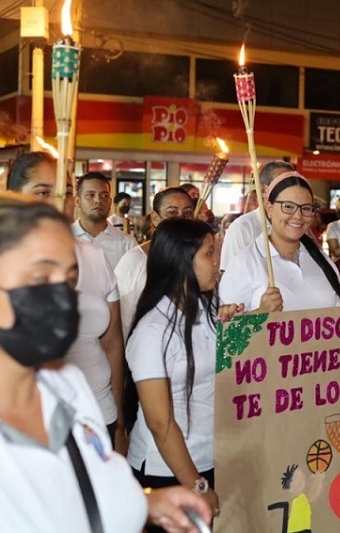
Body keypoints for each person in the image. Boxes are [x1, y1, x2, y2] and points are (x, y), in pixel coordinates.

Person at [0, 193, 211, 532]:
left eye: (69, 278)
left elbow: (84, 488)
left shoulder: (68, 384)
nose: (62, 296)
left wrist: (146, 502)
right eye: (41, 278)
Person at [8, 154, 127, 450]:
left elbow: (112, 342)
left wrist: (119, 414)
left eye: (66, 192)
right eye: (43, 192)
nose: (58, 201)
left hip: (99, 409)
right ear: (13, 197)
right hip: (36, 423)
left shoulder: (93, 256)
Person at [126, 218, 241, 524]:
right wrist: (197, 485)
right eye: (209, 253)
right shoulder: (153, 332)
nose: (217, 262)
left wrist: (243, 321)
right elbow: (160, 424)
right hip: (167, 472)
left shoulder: (207, 309)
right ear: (181, 262)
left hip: (208, 458)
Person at [219, 172, 340, 312]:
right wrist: (260, 312)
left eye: (305, 208)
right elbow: (226, 330)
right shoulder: (244, 264)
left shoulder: (322, 261)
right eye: (288, 206)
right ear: (269, 209)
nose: (298, 216)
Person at [114, 187, 195, 339]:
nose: (181, 219)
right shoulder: (135, 261)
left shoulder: (197, 258)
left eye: (187, 213)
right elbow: (121, 322)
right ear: (155, 218)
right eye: (172, 212)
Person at [219, 161, 295, 274]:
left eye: (292, 186)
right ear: (263, 190)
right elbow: (229, 276)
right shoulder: (242, 228)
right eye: (282, 186)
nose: (290, 192)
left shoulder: (295, 226)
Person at [72, 172, 138, 269]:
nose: (98, 200)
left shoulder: (127, 244)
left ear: (110, 202)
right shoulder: (62, 238)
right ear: (78, 201)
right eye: (90, 195)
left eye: (104, 196)